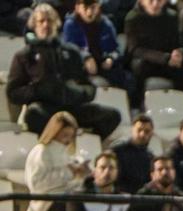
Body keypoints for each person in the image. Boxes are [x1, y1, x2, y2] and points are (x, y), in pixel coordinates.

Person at [6, 4, 120, 137]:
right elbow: (13, 92)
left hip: (73, 107)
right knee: (33, 114)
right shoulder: (24, 55)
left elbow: (90, 88)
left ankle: (81, 142)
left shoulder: (71, 51)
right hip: (46, 108)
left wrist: (79, 91)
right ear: (34, 25)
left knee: (112, 115)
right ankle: (57, 137)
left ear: (57, 23)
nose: (46, 25)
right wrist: (38, 90)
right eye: (41, 21)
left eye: (50, 20)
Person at [24, 111, 87, 211]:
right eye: (65, 135)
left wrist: (81, 176)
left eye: (71, 136)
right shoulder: (42, 151)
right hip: (46, 202)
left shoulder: (66, 152)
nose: (68, 140)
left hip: (63, 196)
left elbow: (67, 183)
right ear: (55, 132)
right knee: (78, 205)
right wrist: (69, 171)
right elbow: (37, 183)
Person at [123, 0, 183, 105]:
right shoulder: (133, 17)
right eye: (151, 1)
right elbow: (134, 49)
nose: (156, 4)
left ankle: (181, 107)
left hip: (168, 60)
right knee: (140, 67)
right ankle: (138, 107)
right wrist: (164, 58)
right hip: (145, 60)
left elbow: (178, 43)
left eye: (160, 1)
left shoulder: (172, 17)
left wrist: (178, 54)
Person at [62, 0, 131, 95]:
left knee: (128, 80)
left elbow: (115, 49)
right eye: (85, 8)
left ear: (98, 7)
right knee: (101, 85)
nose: (89, 12)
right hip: (83, 70)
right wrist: (86, 57)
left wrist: (111, 58)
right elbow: (69, 48)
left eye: (93, 8)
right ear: (77, 8)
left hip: (104, 66)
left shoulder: (106, 24)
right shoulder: (71, 25)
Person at [112, 113, 155, 194]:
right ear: (132, 130)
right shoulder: (117, 150)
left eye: (147, 131)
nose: (142, 134)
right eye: (139, 130)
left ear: (151, 133)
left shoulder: (150, 157)